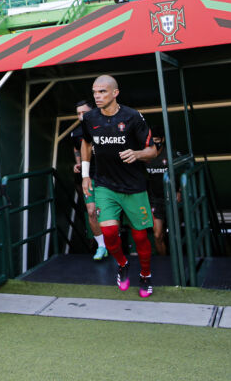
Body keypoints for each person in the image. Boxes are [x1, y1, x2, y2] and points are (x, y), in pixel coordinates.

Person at [80, 75, 157, 298]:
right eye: (95, 92)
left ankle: (145, 275)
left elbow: (152, 150)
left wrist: (137, 154)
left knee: (140, 237)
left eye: (102, 91)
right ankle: (122, 264)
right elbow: (86, 143)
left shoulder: (133, 117)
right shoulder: (89, 118)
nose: (97, 96)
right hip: (105, 185)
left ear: (115, 93)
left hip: (134, 186)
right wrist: (85, 175)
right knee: (109, 232)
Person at [72, 100, 107, 260]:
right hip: (89, 178)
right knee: (92, 212)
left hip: (108, 178)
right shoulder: (76, 133)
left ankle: (113, 243)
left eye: (84, 113)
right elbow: (76, 147)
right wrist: (78, 163)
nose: (81, 116)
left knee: (107, 214)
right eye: (78, 113)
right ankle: (101, 246)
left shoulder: (104, 126)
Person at [145, 126, 168, 256]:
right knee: (158, 235)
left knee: (175, 235)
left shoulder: (170, 154)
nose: (155, 143)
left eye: (157, 140)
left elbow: (184, 171)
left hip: (171, 200)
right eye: (152, 141)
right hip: (155, 201)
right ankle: (164, 261)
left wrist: (180, 191)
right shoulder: (145, 156)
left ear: (163, 139)